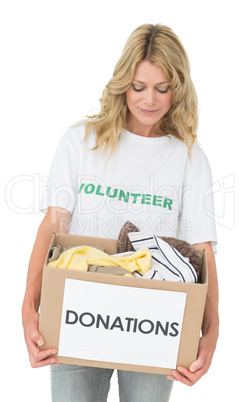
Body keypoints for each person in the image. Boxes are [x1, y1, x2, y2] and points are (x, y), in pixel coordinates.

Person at [22, 23, 219, 401]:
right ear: (122, 83)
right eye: (139, 86)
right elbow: (52, 226)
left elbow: (203, 249)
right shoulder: (82, 141)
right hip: (77, 313)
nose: (149, 100)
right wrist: (29, 309)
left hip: (155, 323)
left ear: (178, 88)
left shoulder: (189, 157)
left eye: (162, 88)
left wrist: (211, 330)